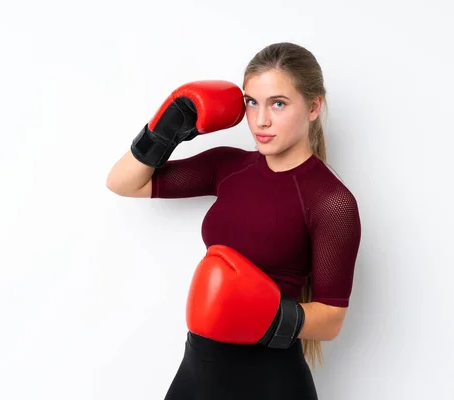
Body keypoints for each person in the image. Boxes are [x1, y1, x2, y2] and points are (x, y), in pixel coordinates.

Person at [106, 42, 362, 400]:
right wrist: (164, 131)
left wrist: (263, 315)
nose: (260, 120)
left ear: (314, 106)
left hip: (271, 383)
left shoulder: (331, 201)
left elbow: (331, 319)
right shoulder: (228, 166)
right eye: (251, 102)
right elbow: (123, 183)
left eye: (278, 103)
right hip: (197, 372)